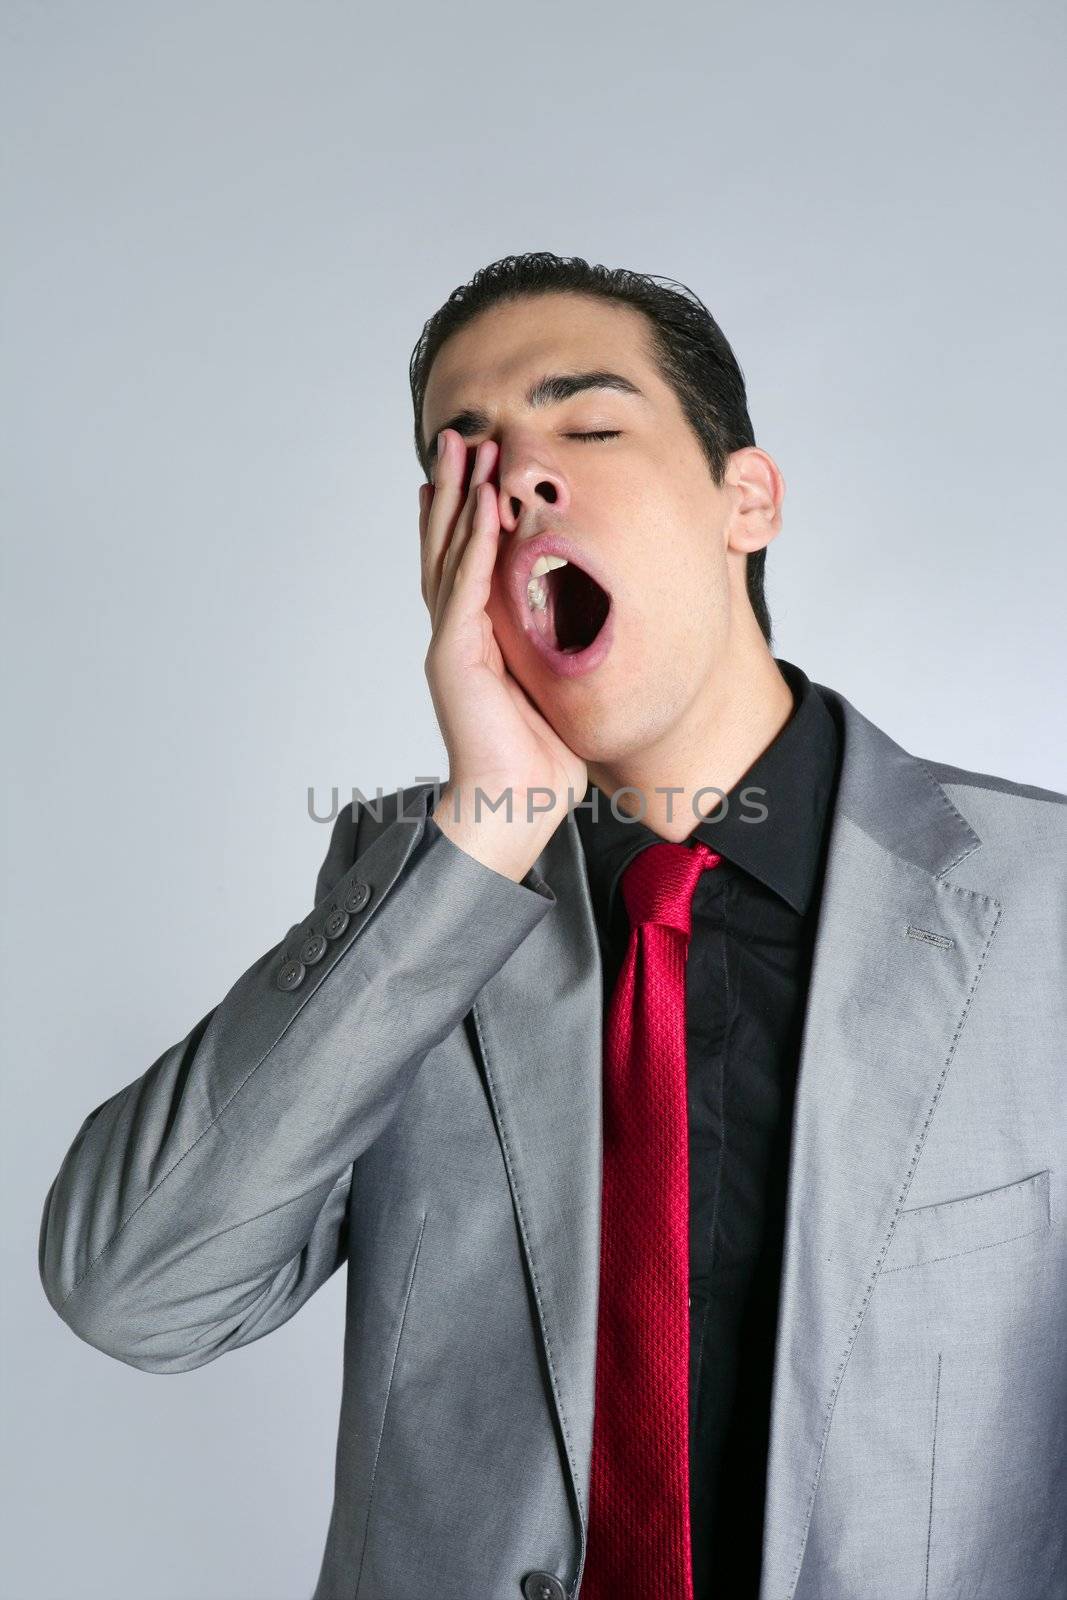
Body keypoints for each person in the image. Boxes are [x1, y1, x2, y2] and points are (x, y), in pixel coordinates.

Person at [39, 253, 1066, 1600]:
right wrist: (481, 833)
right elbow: (136, 1292)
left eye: (586, 424)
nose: (520, 477)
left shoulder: (1041, 902)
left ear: (742, 500)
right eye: (468, 462)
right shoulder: (406, 893)